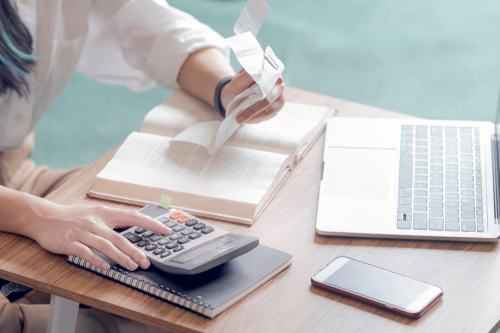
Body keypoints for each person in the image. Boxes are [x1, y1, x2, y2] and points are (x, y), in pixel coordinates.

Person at [0, 0, 285, 332]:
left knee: (144, 216)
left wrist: (225, 89)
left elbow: (152, 26)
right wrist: (37, 217)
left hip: (15, 175)